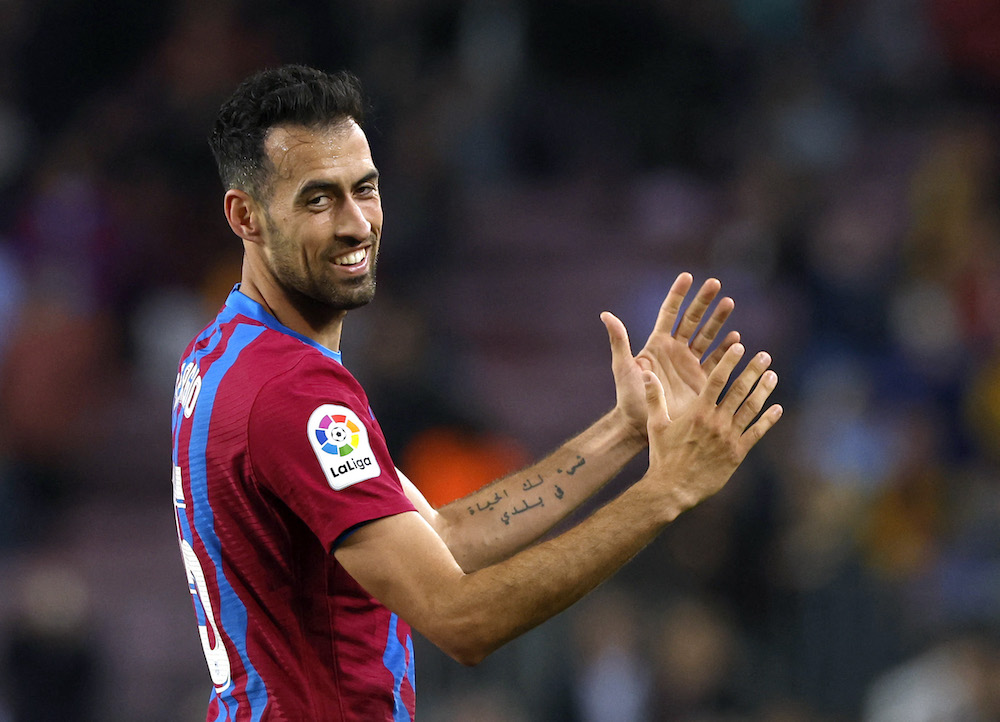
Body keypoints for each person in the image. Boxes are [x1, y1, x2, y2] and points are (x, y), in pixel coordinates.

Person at [170, 64, 782, 721]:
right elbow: (460, 619)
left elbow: (443, 538)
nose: (357, 224)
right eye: (318, 200)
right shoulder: (294, 391)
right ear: (246, 216)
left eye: (365, 189)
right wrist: (665, 492)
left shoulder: (223, 352)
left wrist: (626, 429)